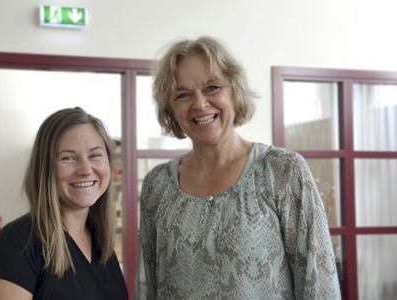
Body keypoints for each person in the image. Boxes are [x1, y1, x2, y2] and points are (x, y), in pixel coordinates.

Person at [136, 36, 341, 299]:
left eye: (212, 88)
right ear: (170, 108)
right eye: (183, 94)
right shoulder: (158, 185)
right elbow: (147, 286)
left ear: (234, 91)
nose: (199, 104)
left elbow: (319, 285)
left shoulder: (283, 172)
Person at [0, 107, 128, 300]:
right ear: (45, 168)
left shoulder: (101, 245)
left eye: (95, 155)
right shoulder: (18, 244)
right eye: (68, 158)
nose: (85, 169)